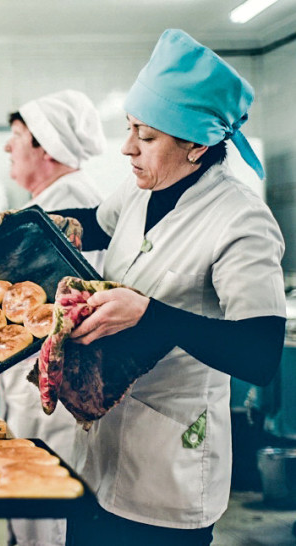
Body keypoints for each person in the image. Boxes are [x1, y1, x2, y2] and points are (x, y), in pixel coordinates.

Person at [41, 29, 284, 545]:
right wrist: (26, 227)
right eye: (129, 128)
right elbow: (95, 224)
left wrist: (150, 314)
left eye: (146, 137)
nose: (127, 148)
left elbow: (260, 353)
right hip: (95, 459)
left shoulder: (241, 220)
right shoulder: (140, 189)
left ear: (197, 144)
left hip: (168, 469)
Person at [0, 90, 107, 546]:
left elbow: (53, 294)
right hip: (33, 390)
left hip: (57, 393)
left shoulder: (73, 201)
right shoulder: (48, 201)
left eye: (16, 136)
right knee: (31, 514)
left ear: (46, 147)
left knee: (48, 519)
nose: (7, 147)